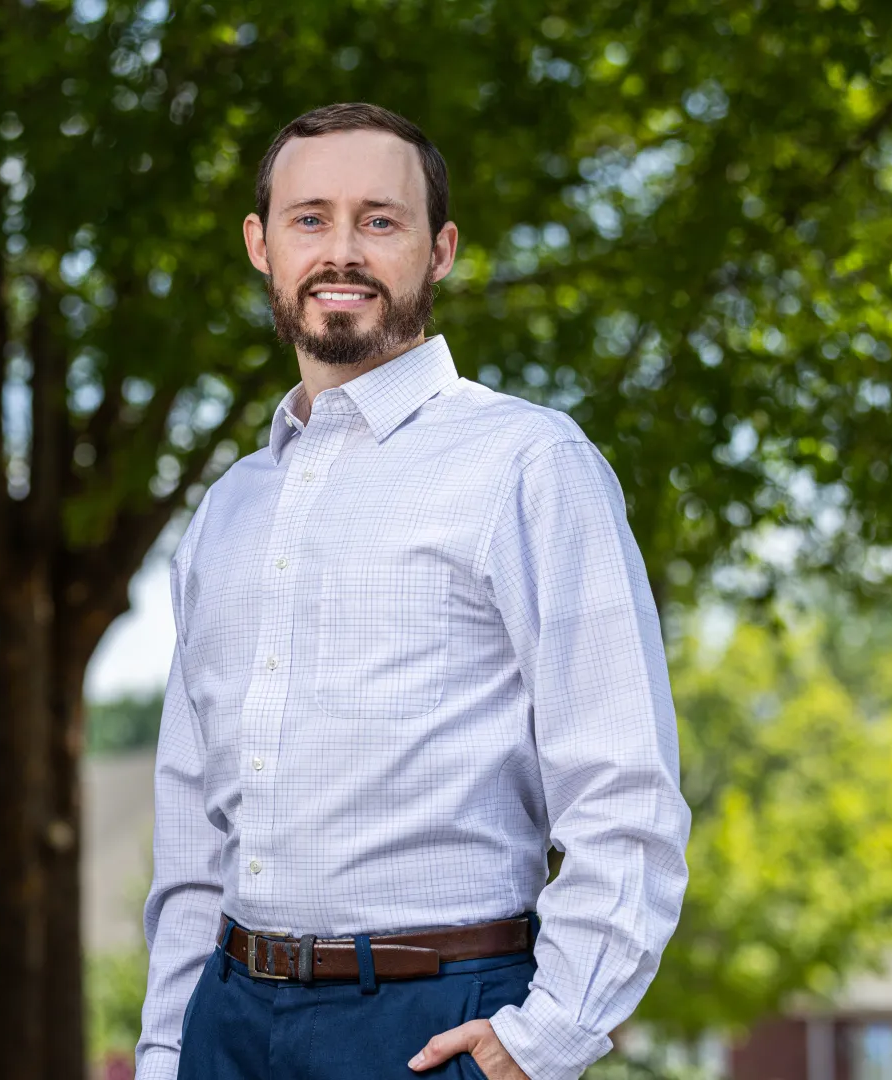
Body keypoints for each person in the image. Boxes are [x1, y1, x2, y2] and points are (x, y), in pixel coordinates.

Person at [136, 103, 691, 1080]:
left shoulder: (528, 464)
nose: (341, 251)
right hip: (224, 1021)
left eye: (379, 221)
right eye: (310, 219)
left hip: (436, 1027)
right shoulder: (228, 511)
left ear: (439, 250)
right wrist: (166, 1049)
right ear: (260, 246)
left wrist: (543, 1038)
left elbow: (626, 795)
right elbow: (192, 832)